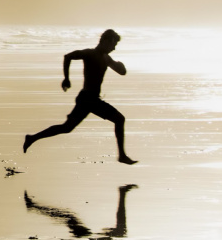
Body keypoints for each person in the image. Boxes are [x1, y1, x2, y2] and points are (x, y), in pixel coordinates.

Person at [23, 29, 137, 164]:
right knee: (119, 119)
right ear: (105, 41)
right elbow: (68, 56)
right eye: (113, 44)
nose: (114, 48)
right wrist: (66, 79)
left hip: (89, 99)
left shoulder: (106, 58)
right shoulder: (90, 54)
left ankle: (32, 138)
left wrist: (120, 65)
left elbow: (121, 72)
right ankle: (122, 156)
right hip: (88, 99)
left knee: (66, 128)